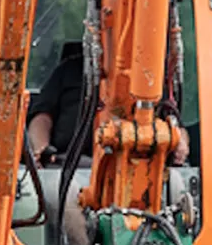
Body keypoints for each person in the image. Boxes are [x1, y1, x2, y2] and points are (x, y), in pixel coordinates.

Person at [27, 40, 190, 166]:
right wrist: (42, 150)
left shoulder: (148, 78)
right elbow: (42, 116)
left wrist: (180, 143)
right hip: (67, 166)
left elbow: (174, 122)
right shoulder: (68, 70)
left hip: (137, 166)